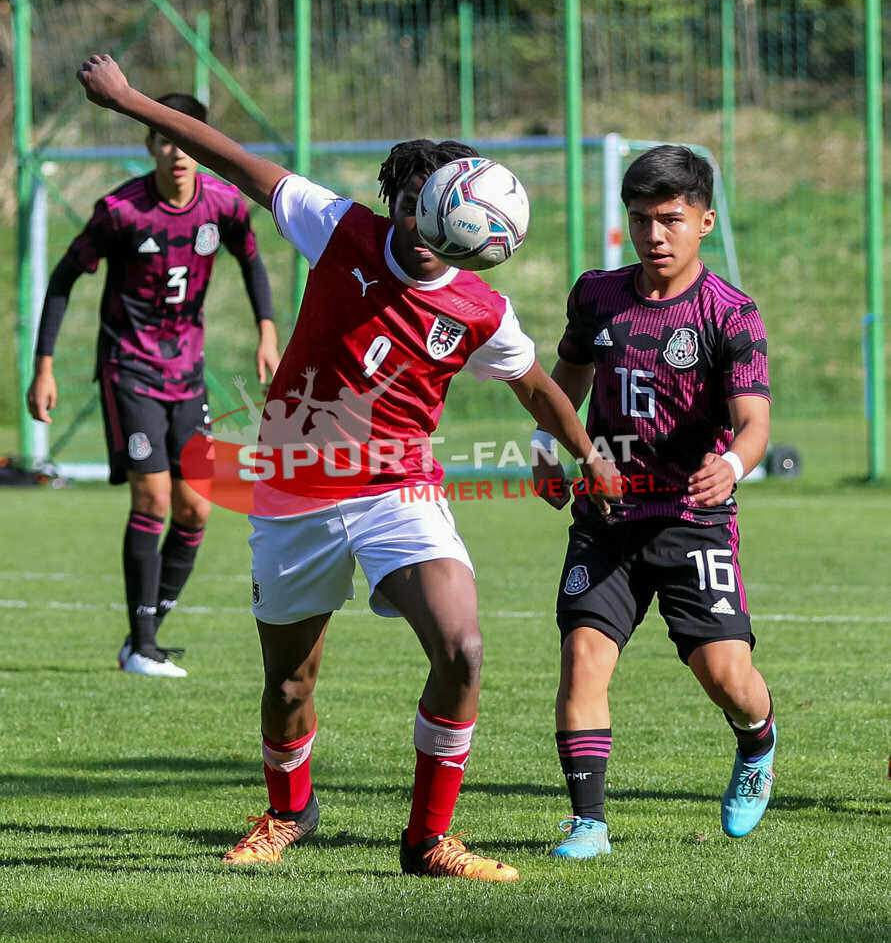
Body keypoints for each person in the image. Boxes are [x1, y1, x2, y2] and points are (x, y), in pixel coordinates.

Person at [73, 53, 612, 882]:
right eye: (410, 204)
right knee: (290, 683)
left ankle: (427, 840)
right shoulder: (341, 227)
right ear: (404, 206)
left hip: (399, 491)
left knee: (462, 647)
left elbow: (537, 388)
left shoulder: (478, 306)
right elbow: (227, 155)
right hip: (291, 489)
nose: (421, 223)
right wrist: (128, 100)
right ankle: (289, 813)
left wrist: (588, 458)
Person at [531, 145, 776, 858]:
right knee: (582, 656)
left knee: (726, 678)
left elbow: (755, 420)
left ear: (703, 221)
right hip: (606, 518)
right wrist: (545, 446)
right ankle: (588, 823)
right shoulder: (595, 294)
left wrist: (730, 463)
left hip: (692, 522)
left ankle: (757, 741)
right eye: (639, 219)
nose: (653, 235)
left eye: (669, 219)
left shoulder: (729, 313)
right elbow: (563, 381)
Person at [27, 91, 280, 678]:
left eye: (189, 138)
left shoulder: (224, 205)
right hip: (129, 369)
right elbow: (63, 280)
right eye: (166, 138)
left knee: (195, 509)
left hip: (186, 374)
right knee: (154, 498)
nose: (178, 151)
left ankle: (145, 637)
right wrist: (44, 366)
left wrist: (267, 331)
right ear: (150, 143)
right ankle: (141, 647)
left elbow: (252, 261)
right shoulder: (120, 210)